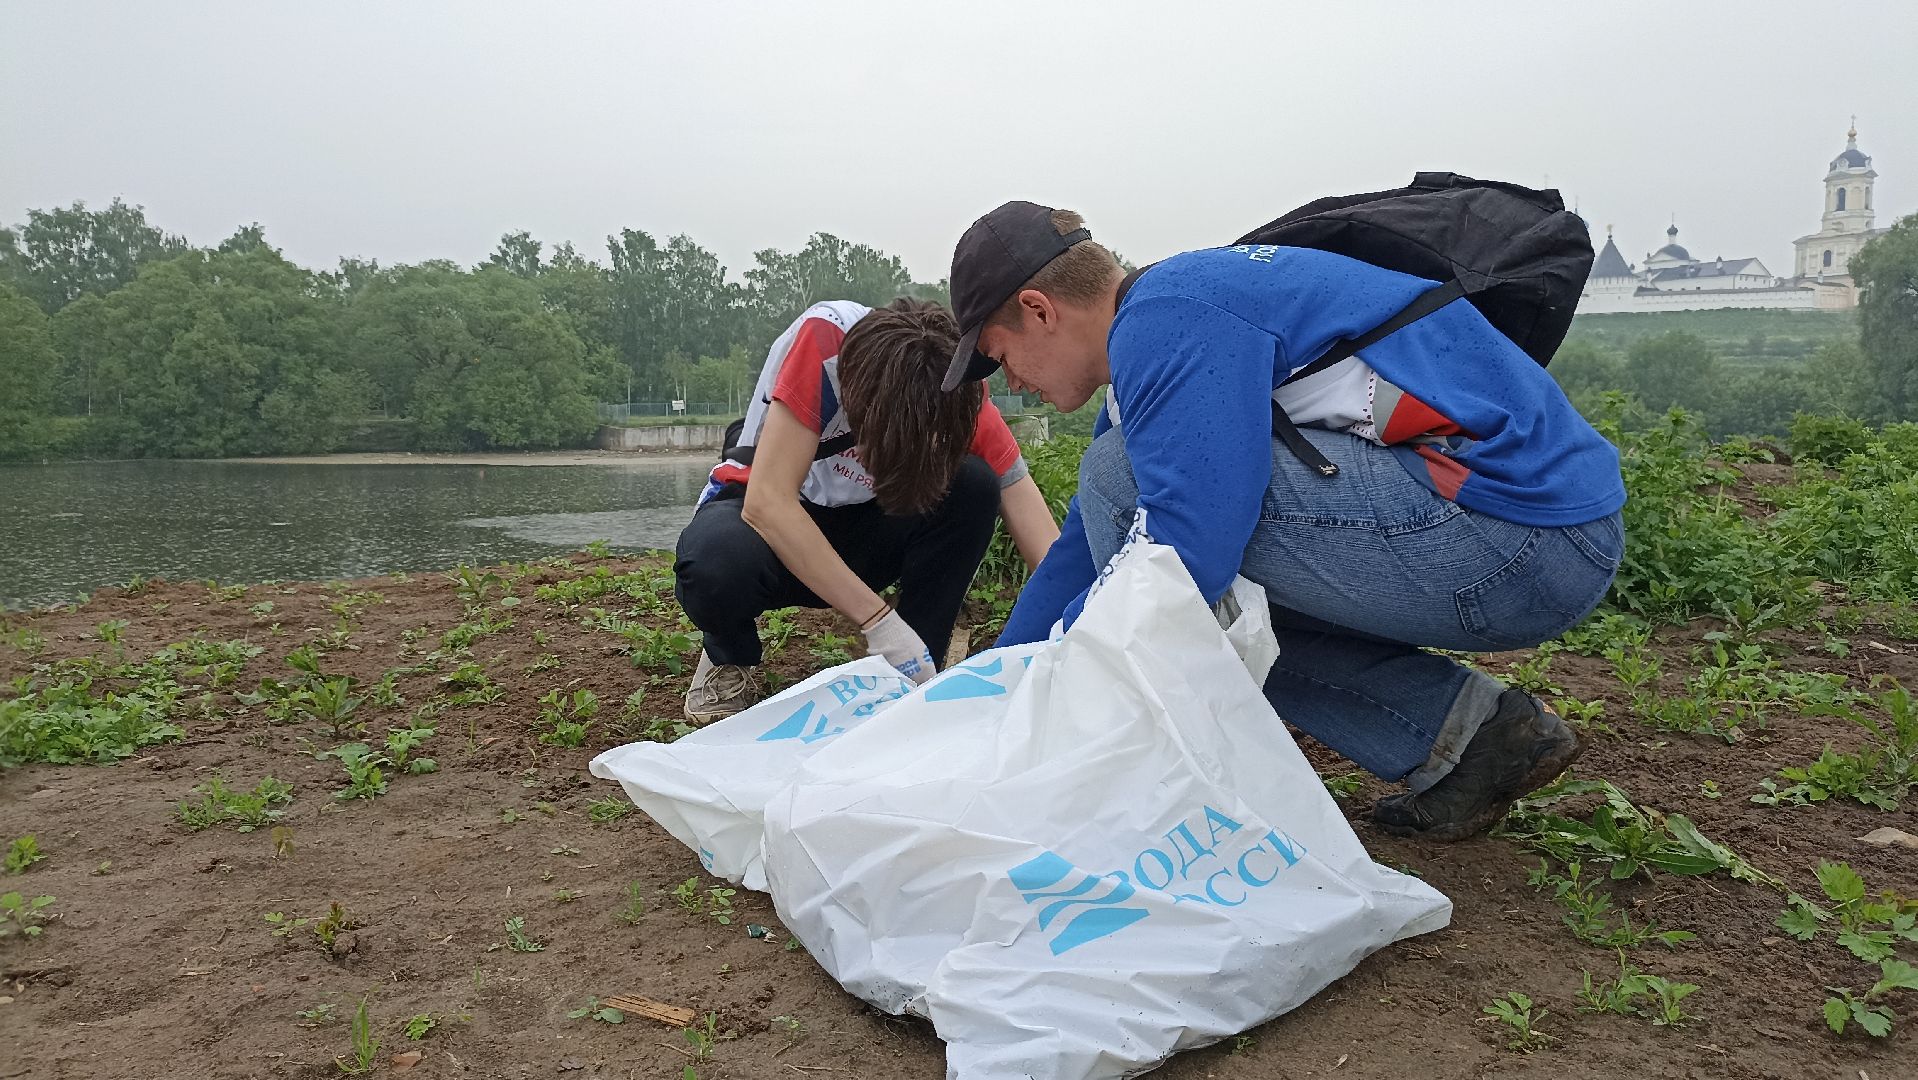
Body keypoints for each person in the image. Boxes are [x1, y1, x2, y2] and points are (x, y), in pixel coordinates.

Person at [939, 201, 1626, 841]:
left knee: (1141, 509)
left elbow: (1184, 553)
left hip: (1520, 539)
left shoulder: (1168, 318)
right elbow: (1087, 548)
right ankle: (1472, 740)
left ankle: (1152, 769)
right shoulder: (1166, 326)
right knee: (1169, 547)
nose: (1012, 386)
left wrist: (1059, 672)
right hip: (1531, 539)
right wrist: (995, 687)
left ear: (1038, 309)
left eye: (999, 360)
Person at [673, 297, 1060, 724]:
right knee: (716, 565)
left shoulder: (951, 382)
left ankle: (914, 667)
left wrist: (1083, 628)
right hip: (769, 519)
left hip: (869, 527)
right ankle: (729, 658)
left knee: (974, 485)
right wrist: (879, 622)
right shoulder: (827, 344)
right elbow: (768, 503)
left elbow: (1038, 531)